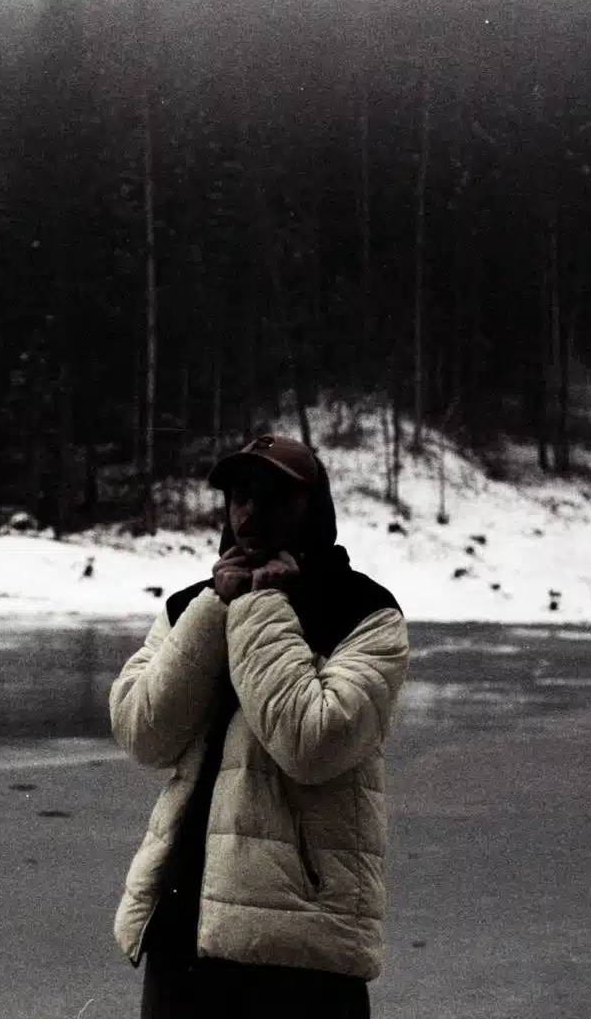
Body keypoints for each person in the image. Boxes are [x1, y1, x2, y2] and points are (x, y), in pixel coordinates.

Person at [110, 434, 410, 1018]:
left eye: (274, 496)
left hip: (301, 934)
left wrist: (258, 606)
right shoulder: (192, 606)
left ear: (313, 509)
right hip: (184, 924)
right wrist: (214, 610)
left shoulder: (364, 612)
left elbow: (312, 743)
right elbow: (144, 733)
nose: (250, 512)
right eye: (240, 496)